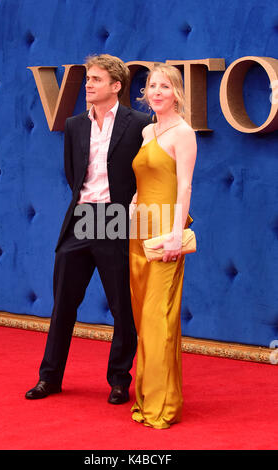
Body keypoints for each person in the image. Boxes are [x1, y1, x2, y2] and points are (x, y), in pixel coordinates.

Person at [25, 54, 151, 404]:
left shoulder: (140, 123)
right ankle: (49, 378)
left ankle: (119, 380)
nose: (88, 85)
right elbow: (73, 173)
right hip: (81, 217)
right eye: (87, 79)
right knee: (63, 303)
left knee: (121, 308)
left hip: (115, 218)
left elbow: (146, 174)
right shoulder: (75, 124)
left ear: (116, 86)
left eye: (95, 79)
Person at [129, 63, 197, 428]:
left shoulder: (183, 133)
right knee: (143, 320)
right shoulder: (147, 131)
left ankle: (162, 405)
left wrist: (175, 234)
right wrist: (133, 205)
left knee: (159, 320)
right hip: (138, 233)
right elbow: (144, 181)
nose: (156, 92)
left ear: (176, 93)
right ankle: (145, 397)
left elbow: (184, 186)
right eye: (152, 86)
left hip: (165, 236)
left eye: (165, 86)